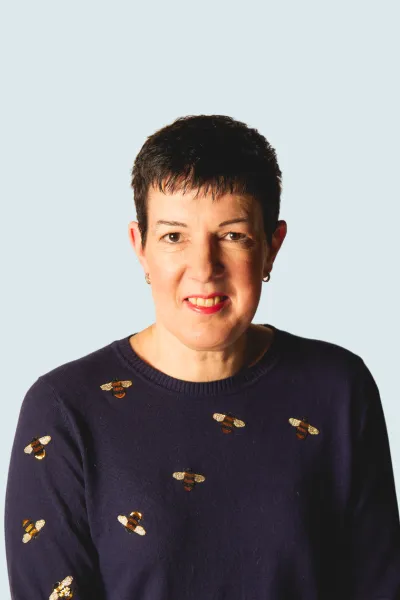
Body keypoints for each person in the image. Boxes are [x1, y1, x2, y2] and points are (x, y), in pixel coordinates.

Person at [4, 114, 400, 600]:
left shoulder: (338, 389)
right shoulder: (65, 409)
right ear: (140, 247)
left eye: (233, 235)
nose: (204, 268)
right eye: (174, 236)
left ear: (272, 247)